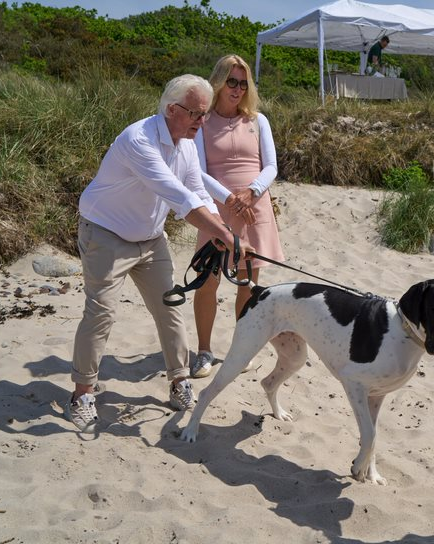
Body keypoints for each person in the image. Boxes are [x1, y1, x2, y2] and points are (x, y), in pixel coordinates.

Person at [67, 74, 254, 433]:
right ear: (172, 109)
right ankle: (82, 393)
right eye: (197, 114)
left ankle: (179, 380)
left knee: (169, 308)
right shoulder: (139, 140)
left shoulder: (185, 143)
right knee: (101, 314)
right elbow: (177, 196)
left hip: (151, 239)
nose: (202, 122)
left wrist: (218, 232)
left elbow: (197, 191)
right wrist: (228, 237)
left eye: (205, 114)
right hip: (106, 234)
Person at [190, 54, 285, 379]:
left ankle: (240, 349)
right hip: (217, 210)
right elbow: (198, 171)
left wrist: (251, 192)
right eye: (231, 81)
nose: (237, 89)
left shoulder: (258, 121)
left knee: (248, 283)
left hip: (253, 207)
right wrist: (228, 197)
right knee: (208, 283)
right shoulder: (202, 122)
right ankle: (204, 351)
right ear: (218, 82)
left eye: (243, 83)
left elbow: (271, 166)